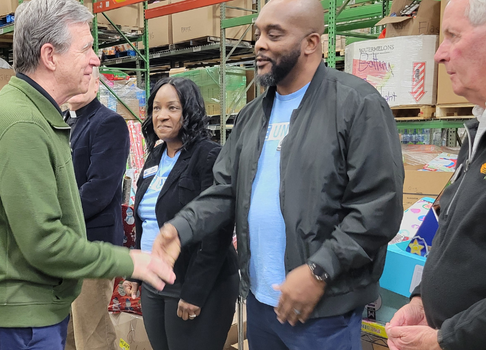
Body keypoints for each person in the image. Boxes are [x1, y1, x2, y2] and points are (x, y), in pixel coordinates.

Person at [151, 0, 405, 349]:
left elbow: (378, 207)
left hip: (322, 312)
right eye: (258, 34)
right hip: (260, 304)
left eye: (274, 34)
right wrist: (183, 227)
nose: (259, 44)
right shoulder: (252, 116)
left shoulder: (355, 105)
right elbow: (225, 189)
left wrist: (320, 270)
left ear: (311, 43)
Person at [0, 1, 174, 349]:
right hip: (22, 316)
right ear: (50, 56)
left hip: (26, 308)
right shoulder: (22, 124)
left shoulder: (30, 114)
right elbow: (44, 242)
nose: (96, 59)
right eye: (87, 48)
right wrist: (129, 259)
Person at [386, 1, 486, 349]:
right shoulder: (477, 134)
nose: (438, 54)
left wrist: (445, 339)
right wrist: (420, 301)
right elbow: (454, 237)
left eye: (452, 36)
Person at [125, 77, 239, 350]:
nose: (161, 116)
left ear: (189, 112)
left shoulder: (209, 156)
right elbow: (146, 219)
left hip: (197, 282)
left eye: (172, 108)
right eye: (155, 108)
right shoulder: (155, 157)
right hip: (156, 280)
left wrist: (195, 293)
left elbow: (217, 231)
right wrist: (136, 274)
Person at [63, 70, 130, 350]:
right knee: (66, 330)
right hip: (63, 243)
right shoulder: (62, 122)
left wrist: (54, 214)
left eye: (85, 77)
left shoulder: (108, 123)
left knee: (92, 333)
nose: (78, 85)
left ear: (96, 82)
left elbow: (99, 190)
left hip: (92, 244)